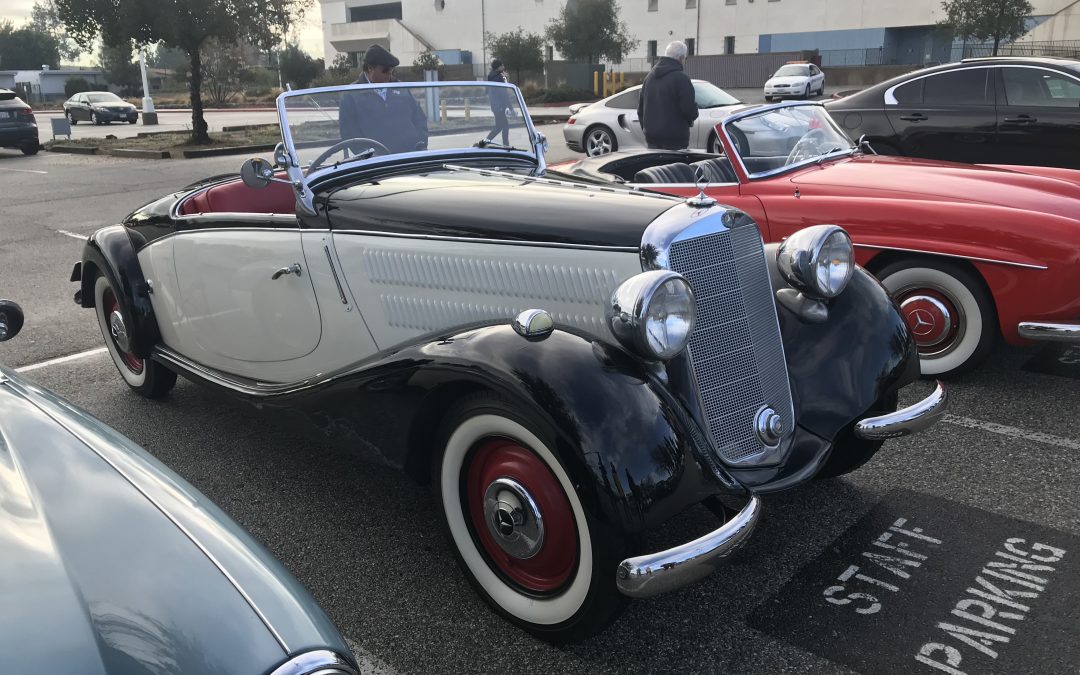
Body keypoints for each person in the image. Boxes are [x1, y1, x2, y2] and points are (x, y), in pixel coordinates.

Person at [339, 44, 428, 154]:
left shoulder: (400, 88)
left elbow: (419, 119)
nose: (389, 75)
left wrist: (420, 145)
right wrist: (367, 155)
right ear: (370, 68)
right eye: (385, 71)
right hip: (377, 163)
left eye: (391, 71)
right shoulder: (352, 95)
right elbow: (349, 133)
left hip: (409, 158)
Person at [637, 41, 698, 150]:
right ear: (681, 58)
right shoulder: (681, 79)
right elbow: (689, 109)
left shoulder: (649, 78)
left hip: (652, 140)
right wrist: (694, 114)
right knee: (674, 167)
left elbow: (640, 110)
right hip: (676, 141)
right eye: (685, 59)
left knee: (657, 168)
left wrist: (647, 130)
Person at [484, 59, 512, 146]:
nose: (503, 67)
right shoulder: (499, 78)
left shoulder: (490, 76)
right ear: (498, 67)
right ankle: (505, 145)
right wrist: (510, 107)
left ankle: (485, 142)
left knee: (499, 127)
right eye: (502, 66)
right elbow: (504, 94)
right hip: (499, 106)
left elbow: (486, 91)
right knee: (504, 126)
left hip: (495, 106)